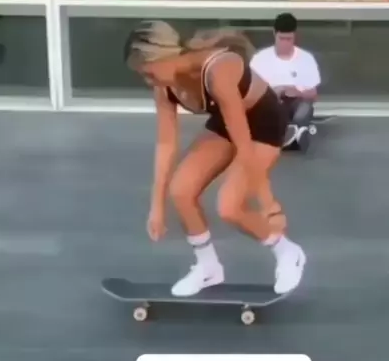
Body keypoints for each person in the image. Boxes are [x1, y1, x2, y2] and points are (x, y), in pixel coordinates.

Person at [124, 20, 306, 297]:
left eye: (149, 72)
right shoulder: (165, 87)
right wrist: (156, 207)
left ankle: (288, 252)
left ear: (165, 56)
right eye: (142, 76)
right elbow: (166, 144)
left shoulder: (219, 69)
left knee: (230, 207)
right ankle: (208, 267)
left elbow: (244, 143)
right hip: (227, 121)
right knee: (181, 191)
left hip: (263, 123)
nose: (149, 81)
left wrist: (269, 203)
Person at [250, 13, 321, 152]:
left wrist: (298, 92)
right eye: (281, 39)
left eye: (289, 39)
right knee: (265, 110)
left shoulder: (306, 59)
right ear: (274, 34)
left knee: (304, 108)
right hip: (270, 103)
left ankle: (289, 134)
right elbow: (251, 92)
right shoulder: (260, 59)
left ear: (295, 36)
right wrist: (274, 92)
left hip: (296, 103)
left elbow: (314, 94)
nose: (285, 43)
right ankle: (292, 135)